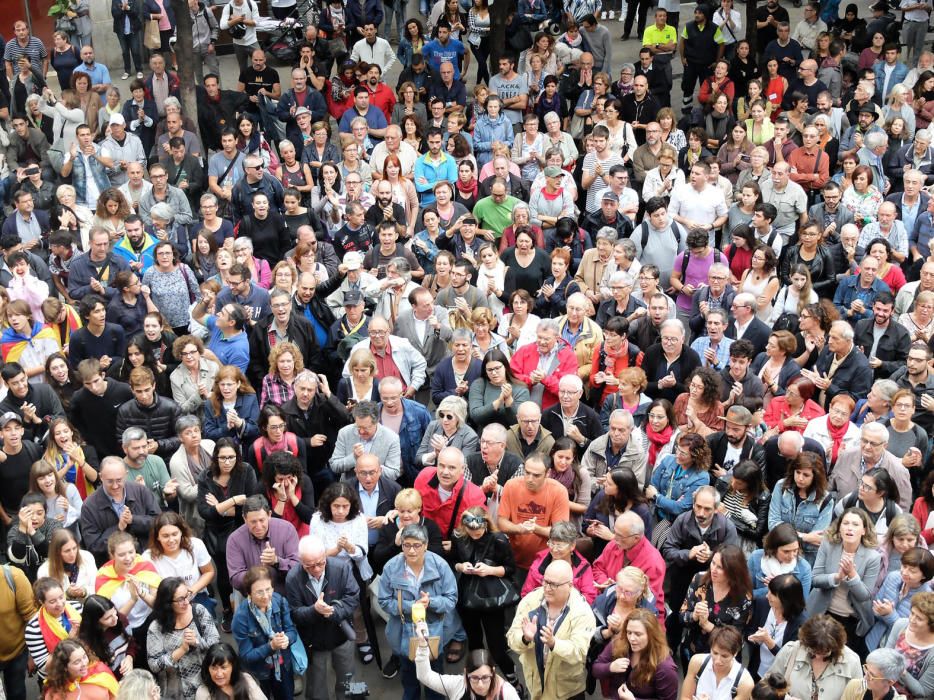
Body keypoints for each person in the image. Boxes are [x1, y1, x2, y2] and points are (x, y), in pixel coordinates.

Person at [506, 558, 596, 700]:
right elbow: (512, 639)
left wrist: (554, 643)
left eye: (554, 585)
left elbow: (579, 653)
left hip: (567, 691)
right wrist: (525, 638)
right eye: (545, 581)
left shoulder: (582, 612)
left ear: (570, 585)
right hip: (535, 684)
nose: (547, 588)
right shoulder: (530, 601)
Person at [450, 507, 518, 685]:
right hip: (467, 596)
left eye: (479, 530)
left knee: (497, 647)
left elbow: (510, 569)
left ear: (486, 524)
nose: (475, 534)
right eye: (471, 530)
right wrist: (461, 567)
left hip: (491, 599)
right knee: (474, 642)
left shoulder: (499, 540)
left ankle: (512, 678)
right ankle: (478, 679)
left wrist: (490, 570)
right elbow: (452, 560)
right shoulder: (459, 537)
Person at [806, 508, 883, 658]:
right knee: (813, 654)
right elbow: (815, 579)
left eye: (855, 524)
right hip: (822, 612)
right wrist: (836, 577)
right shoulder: (828, 545)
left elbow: (864, 595)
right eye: (845, 523)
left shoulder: (872, 557)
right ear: (839, 527)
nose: (849, 528)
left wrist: (852, 576)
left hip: (851, 619)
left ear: (864, 530)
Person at [230, 566, 299, 700]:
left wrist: (287, 639)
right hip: (258, 672)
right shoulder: (240, 618)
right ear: (249, 593)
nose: (266, 596)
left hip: (283, 665)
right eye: (259, 592)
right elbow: (246, 656)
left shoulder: (280, 601)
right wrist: (271, 646)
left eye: (268, 589)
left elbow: (292, 631)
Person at [146, 577, 220, 700]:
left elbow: (216, 643)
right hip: (177, 691)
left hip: (208, 681)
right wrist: (181, 650)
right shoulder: (156, 627)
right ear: (167, 603)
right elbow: (154, 665)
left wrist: (197, 642)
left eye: (187, 596)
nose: (186, 602)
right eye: (180, 599)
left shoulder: (198, 611)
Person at [592, 608, 679, 700]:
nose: (631, 638)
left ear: (651, 635)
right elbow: (595, 669)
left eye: (638, 634)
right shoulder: (619, 643)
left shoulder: (665, 667)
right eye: (629, 632)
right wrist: (610, 667)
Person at [767, 614, 862, 698]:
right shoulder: (791, 650)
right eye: (813, 651)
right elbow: (767, 686)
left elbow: (858, 696)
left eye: (825, 652)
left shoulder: (852, 662)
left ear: (836, 647)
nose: (818, 657)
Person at [768, 453, 835, 565]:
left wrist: (795, 536)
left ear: (815, 476)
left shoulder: (825, 500)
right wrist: (805, 537)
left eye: (806, 475)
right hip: (779, 552)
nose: (800, 478)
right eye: (797, 472)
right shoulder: (781, 486)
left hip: (807, 558)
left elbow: (818, 539)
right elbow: (773, 524)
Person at [143, 511, 215, 607]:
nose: (171, 540)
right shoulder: (148, 557)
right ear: (157, 537)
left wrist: (193, 590)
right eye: (165, 536)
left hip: (196, 596)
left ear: (181, 532)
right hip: (168, 604)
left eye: (174, 534)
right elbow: (153, 592)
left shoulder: (196, 545)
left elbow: (209, 572)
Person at [747, 573, 807, 680]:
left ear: (786, 599)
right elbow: (750, 630)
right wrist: (754, 638)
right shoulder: (763, 604)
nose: (767, 595)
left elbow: (790, 659)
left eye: (772, 594)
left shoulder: (800, 623)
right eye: (768, 590)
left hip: (779, 678)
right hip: (756, 669)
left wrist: (768, 641)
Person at [680, 626, 755, 700]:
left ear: (735, 653)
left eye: (724, 656)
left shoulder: (745, 682)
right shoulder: (697, 662)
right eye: (715, 653)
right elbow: (685, 697)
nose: (717, 661)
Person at [42, 639, 118, 700]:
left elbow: (117, 695)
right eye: (77, 662)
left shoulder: (100, 672)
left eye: (84, 657)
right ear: (64, 667)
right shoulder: (54, 691)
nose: (84, 664)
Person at [195, 643, 267, 700]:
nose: (219, 674)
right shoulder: (203, 693)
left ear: (233, 666)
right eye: (214, 668)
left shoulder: (246, 680)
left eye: (223, 667)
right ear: (208, 669)